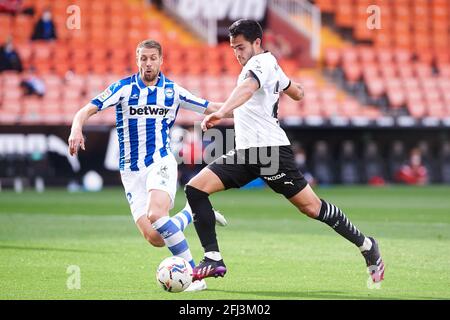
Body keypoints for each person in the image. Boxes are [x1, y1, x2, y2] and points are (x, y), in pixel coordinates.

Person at [184, 20, 385, 284]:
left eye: (241, 47)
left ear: (257, 43)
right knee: (195, 188)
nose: (237, 53)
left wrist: (220, 113)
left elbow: (246, 90)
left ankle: (367, 245)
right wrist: (206, 107)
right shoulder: (268, 67)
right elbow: (294, 91)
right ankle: (213, 258)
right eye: (233, 48)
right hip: (246, 154)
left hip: (271, 153)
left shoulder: (261, 64)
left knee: (312, 208)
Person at [68, 39, 227, 292]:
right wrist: (77, 128)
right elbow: (86, 110)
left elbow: (214, 107)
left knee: (156, 215)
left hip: (160, 162)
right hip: (131, 171)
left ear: (161, 60)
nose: (148, 63)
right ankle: (194, 212)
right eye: (143, 58)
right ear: (137, 59)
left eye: (153, 58)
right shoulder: (123, 88)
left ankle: (195, 276)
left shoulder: (173, 91)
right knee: (155, 238)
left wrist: (246, 111)